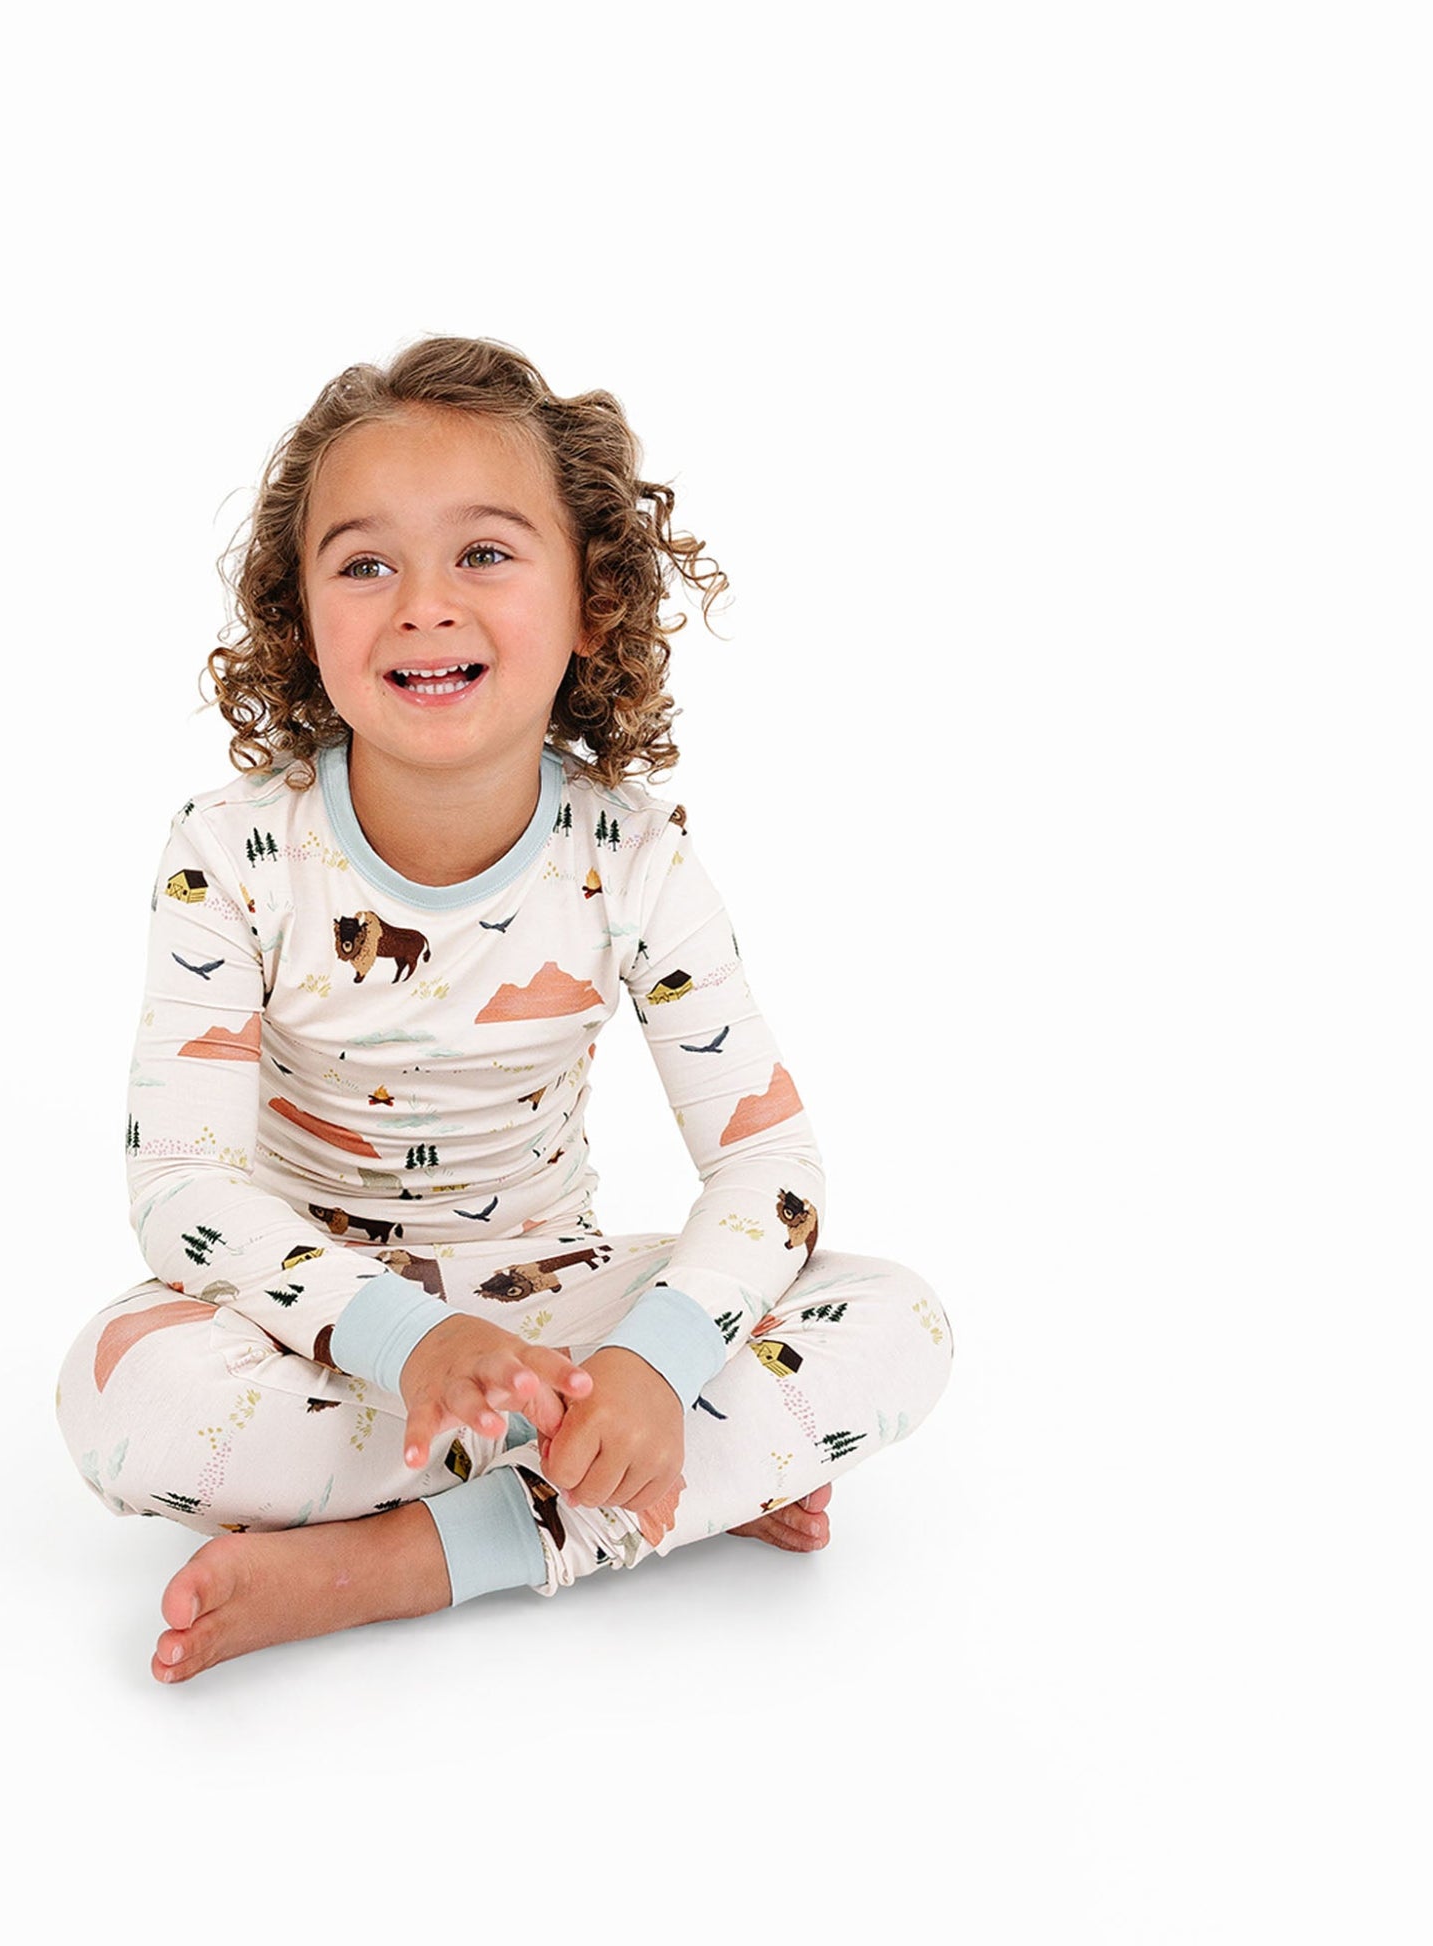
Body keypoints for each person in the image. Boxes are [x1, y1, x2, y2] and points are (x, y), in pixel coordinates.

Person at [54, 335, 953, 1685]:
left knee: (899, 1321)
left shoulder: (632, 857)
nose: (423, 604)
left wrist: (655, 1368)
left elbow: (767, 1167)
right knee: (121, 1392)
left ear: (592, 601)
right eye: (365, 564)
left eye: (482, 553)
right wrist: (407, 1338)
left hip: (551, 1311)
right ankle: (665, 1484)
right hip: (327, 1330)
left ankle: (413, 1556)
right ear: (301, 618)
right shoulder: (229, 852)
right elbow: (184, 1187)